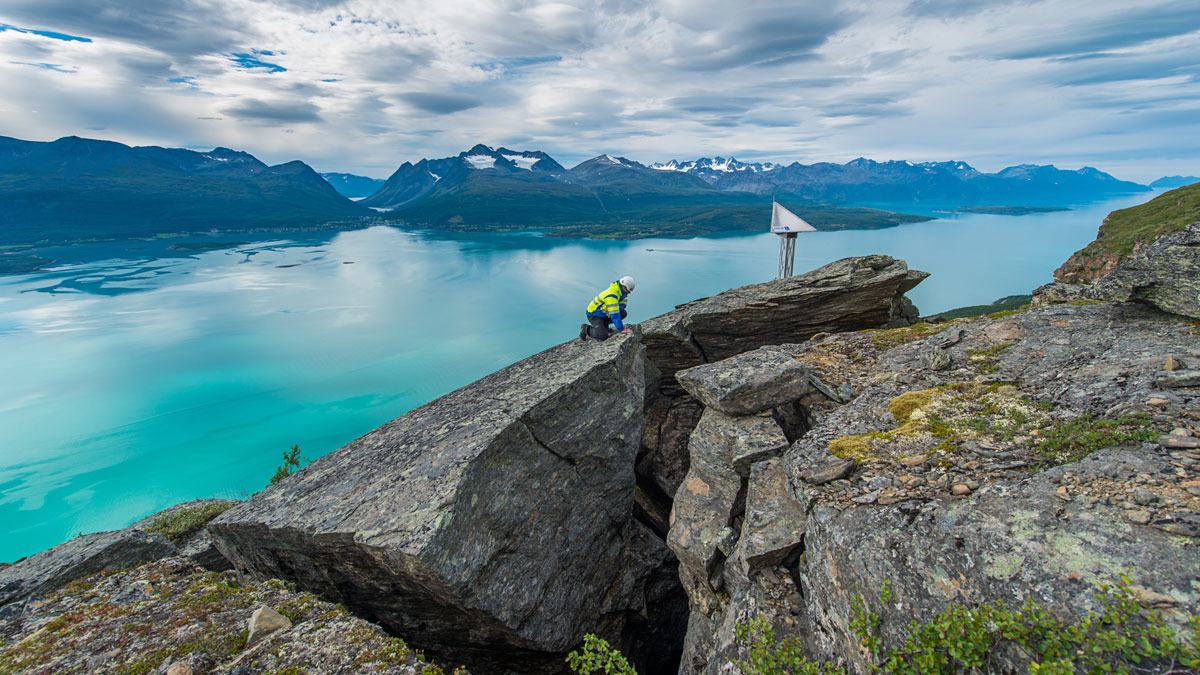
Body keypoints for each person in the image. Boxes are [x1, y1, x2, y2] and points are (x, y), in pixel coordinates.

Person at [580, 276, 635, 341]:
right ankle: (586, 328)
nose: (628, 293)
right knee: (603, 336)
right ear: (623, 287)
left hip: (603, 314)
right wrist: (621, 329)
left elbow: (623, 304)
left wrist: (612, 310)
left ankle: (604, 325)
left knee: (623, 313)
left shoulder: (622, 293)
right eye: (628, 291)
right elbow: (614, 314)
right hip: (594, 315)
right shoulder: (612, 295)